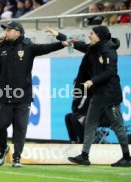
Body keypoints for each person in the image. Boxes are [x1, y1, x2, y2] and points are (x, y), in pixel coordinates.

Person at [0, 21, 69, 167]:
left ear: (18, 32)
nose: (6, 32)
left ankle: (17, 157)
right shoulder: (2, 49)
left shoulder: (28, 47)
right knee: (1, 125)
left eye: (9, 30)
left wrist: (61, 40)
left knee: (20, 127)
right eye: (6, 30)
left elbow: (48, 48)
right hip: (5, 96)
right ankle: (3, 149)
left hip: (23, 96)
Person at [46, 26, 131, 167]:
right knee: (90, 125)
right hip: (97, 95)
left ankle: (127, 158)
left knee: (117, 127)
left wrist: (92, 81)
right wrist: (58, 35)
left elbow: (110, 71)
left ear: (99, 36)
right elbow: (76, 43)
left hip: (109, 96)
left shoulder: (108, 50)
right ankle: (84, 156)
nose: (89, 35)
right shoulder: (93, 48)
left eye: (91, 33)